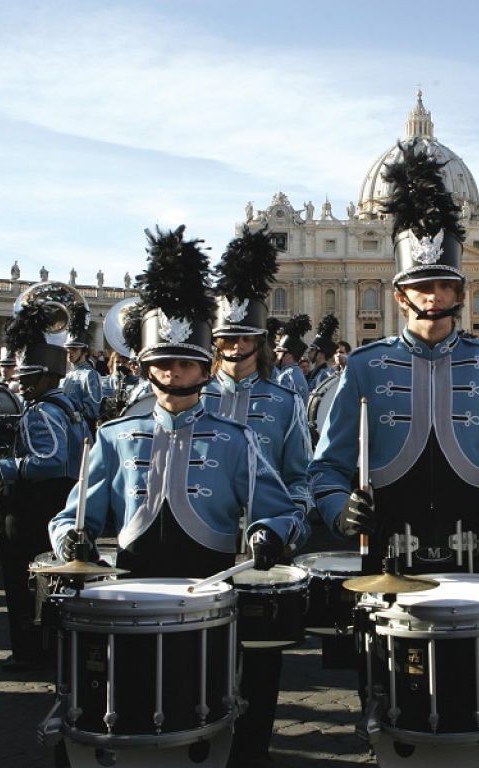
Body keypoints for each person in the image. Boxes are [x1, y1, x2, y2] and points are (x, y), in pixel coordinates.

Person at [48, 227, 307, 768]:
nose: (174, 374)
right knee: (132, 696)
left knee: (205, 697)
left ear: (204, 369)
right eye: (164, 364)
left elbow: (279, 508)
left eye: (186, 364)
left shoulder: (236, 440)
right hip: (133, 586)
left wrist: (268, 532)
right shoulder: (116, 436)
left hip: (208, 586)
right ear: (147, 368)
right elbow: (76, 513)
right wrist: (71, 535)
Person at [309, 140, 479, 578]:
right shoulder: (363, 366)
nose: (433, 297)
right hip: (387, 560)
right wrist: (340, 510)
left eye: (443, 286)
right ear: (400, 296)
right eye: (421, 287)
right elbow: (326, 468)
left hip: (473, 558)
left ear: (460, 294)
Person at [203, 226, 314, 764]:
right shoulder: (189, 394)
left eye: (244, 338)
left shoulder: (285, 402)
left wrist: (285, 526)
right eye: (226, 338)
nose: (234, 347)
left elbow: (301, 479)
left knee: (262, 662)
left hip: (262, 553)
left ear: (259, 341)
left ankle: (253, 750)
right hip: (201, 546)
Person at [0, 306, 90, 669]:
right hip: (61, 501)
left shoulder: (41, 410)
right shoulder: (69, 405)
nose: (24, 384)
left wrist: (2, 466)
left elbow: (50, 460)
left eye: (29, 377)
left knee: (23, 581)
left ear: (47, 376)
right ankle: (49, 646)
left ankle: (28, 651)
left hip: (33, 505)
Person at [60, 311, 103, 430]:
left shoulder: (90, 374)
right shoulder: (68, 375)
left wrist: (69, 415)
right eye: (68, 350)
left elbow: (92, 410)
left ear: (84, 352)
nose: (69, 353)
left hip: (82, 430)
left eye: (74, 349)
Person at [273, 314, 311, 396]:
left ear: (289, 355)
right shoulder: (296, 373)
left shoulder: (286, 377)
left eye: (279, 351)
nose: (276, 353)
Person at [305, 314, 339, 391]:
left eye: (312, 349)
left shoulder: (325, 375)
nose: (309, 352)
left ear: (321, 354)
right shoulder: (313, 372)